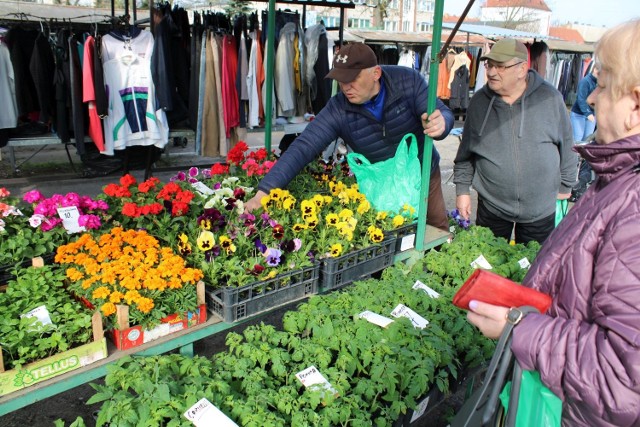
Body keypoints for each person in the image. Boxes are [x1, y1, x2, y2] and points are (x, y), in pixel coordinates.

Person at [466, 19, 640, 426]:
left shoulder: (634, 206)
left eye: (603, 85)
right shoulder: (618, 180)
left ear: (635, 104)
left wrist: (518, 326)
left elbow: (622, 378)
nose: (591, 98)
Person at [244, 43, 455, 230]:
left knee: (435, 230)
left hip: (422, 172)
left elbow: (440, 112)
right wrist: (264, 192)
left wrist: (442, 123)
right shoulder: (338, 108)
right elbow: (304, 146)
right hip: (379, 184)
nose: (345, 87)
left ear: (376, 73)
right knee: (391, 237)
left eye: (352, 79)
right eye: (341, 80)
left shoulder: (408, 81)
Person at [453, 38, 576, 244]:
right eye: (489, 65)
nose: (491, 72)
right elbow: (465, 154)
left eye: (500, 66)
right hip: (492, 206)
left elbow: (567, 145)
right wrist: (462, 191)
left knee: (532, 267)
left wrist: (565, 186)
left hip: (540, 209)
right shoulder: (479, 102)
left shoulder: (549, 98)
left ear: (522, 69)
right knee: (488, 265)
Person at [570, 67, 600, 200]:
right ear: (595, 70)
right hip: (579, 115)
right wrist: (588, 113)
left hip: (591, 115)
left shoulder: (598, 82)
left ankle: (583, 175)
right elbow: (581, 99)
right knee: (578, 143)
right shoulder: (585, 82)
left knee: (587, 144)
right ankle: (573, 174)